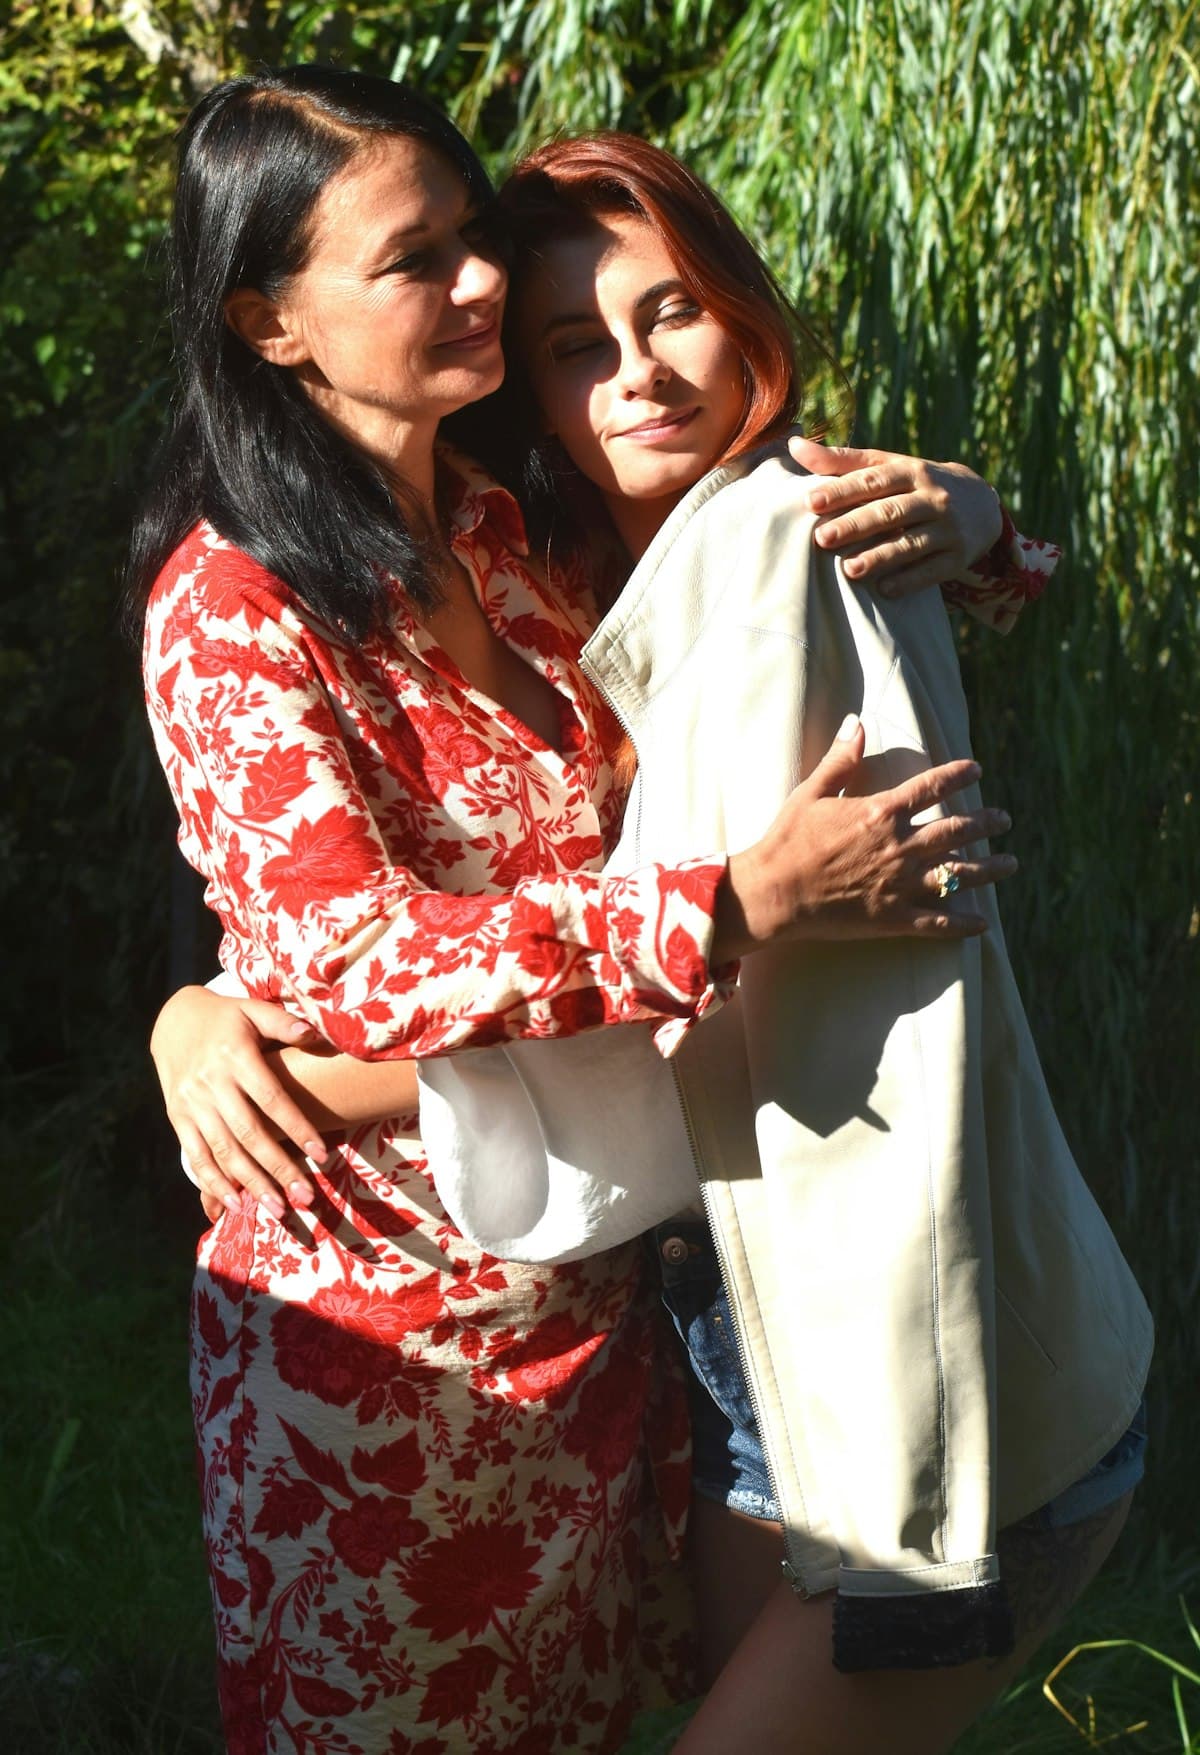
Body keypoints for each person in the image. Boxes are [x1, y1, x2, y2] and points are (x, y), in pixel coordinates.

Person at [137, 68, 1055, 1755]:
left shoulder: (511, 533)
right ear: (274, 323)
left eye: (474, 239)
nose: (483, 282)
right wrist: (743, 902)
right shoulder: (235, 610)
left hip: (600, 1313)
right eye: (417, 262)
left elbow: (788, 536)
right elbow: (358, 958)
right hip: (389, 1354)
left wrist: (990, 529)